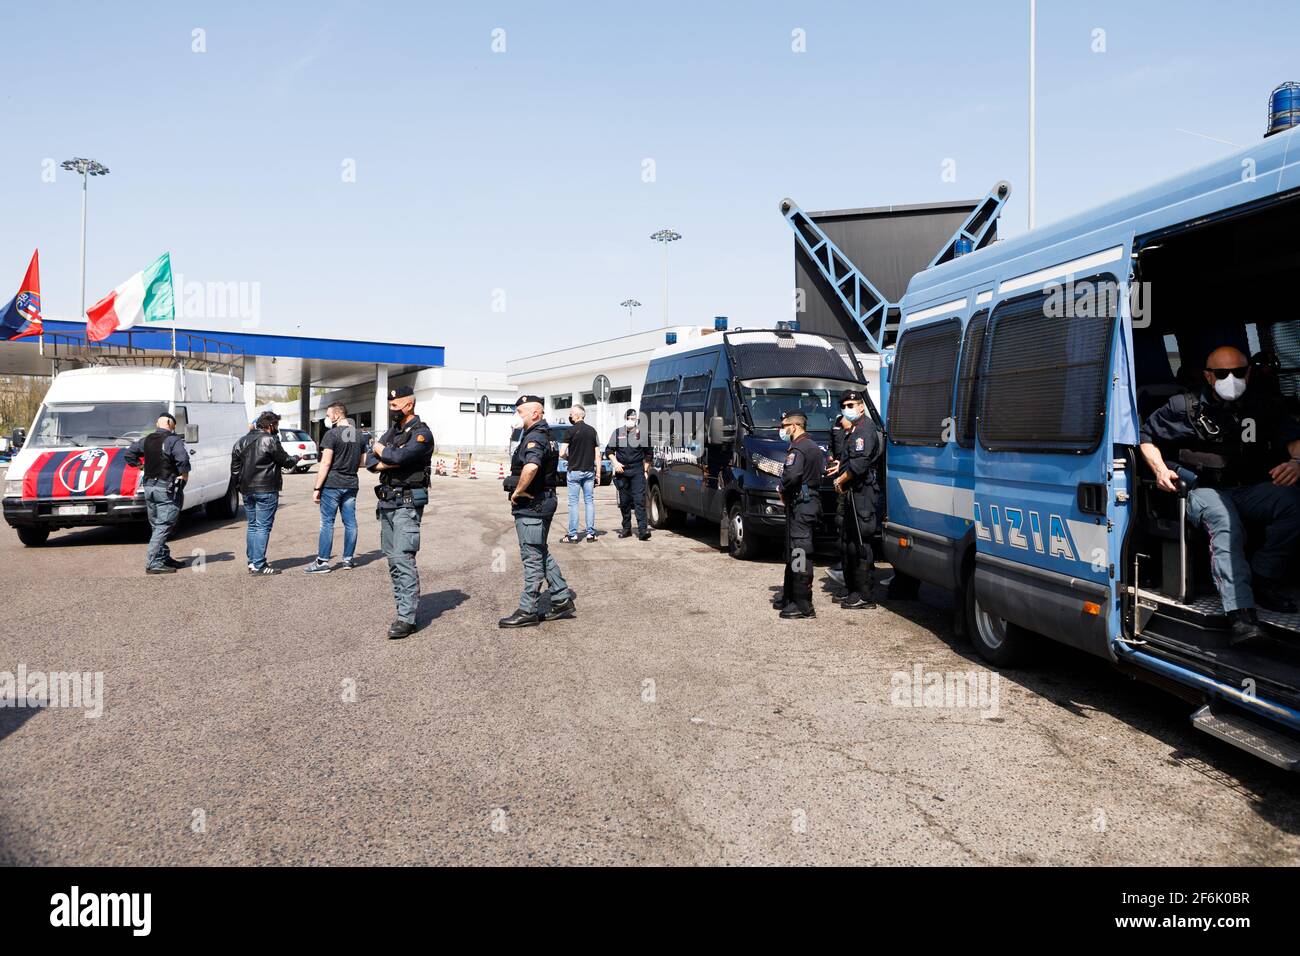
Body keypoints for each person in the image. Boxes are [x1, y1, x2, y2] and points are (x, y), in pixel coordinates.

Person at [1140, 344, 1300, 644]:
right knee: (1225, 523)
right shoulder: (1182, 407)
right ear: (1208, 376)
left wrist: (1297, 463)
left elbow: (1293, 439)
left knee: (1292, 504)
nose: (1231, 379)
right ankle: (1241, 614)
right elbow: (1146, 437)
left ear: (1249, 372)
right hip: (1203, 488)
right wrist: (1160, 470)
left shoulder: (1263, 404)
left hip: (1249, 487)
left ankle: (1264, 576)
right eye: (1222, 373)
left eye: (1238, 372)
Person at [500, 395, 575, 628]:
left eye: (520, 411)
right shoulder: (547, 435)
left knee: (531, 557)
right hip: (543, 500)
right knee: (540, 551)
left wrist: (518, 491)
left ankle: (528, 610)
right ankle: (562, 598)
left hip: (532, 504)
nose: (517, 416)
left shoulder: (535, 436)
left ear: (535, 413)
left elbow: (531, 466)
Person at [366, 385, 434, 639]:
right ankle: (402, 610)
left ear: (408, 405)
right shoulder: (393, 431)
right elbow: (369, 460)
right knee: (393, 561)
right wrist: (387, 458)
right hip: (386, 503)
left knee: (404, 559)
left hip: (407, 505)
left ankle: (407, 618)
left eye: (395, 406)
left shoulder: (422, 434)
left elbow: (402, 457)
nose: (390, 409)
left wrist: (384, 453)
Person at [829, 390, 882, 609]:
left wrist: (841, 479)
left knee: (861, 544)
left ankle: (865, 595)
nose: (847, 409)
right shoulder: (853, 430)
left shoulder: (865, 430)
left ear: (861, 406)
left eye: (851, 404)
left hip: (862, 493)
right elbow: (848, 458)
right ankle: (852, 590)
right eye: (844, 405)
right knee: (848, 542)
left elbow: (859, 464)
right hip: (852, 493)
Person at [231, 411, 300, 576]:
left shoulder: (240, 441)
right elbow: (286, 461)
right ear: (270, 425)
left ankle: (253, 562)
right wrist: (296, 458)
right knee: (262, 527)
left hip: (247, 490)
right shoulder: (270, 440)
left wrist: (239, 487)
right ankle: (260, 565)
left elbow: (234, 469)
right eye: (276, 425)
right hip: (266, 489)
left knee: (253, 526)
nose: (277, 428)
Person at [773, 410, 825, 619]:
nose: (782, 430)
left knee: (800, 553)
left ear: (794, 427)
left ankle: (803, 605)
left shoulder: (799, 448)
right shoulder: (811, 445)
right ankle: (790, 597)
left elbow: (792, 475)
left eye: (784, 426)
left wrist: (782, 490)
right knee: (794, 549)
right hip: (806, 504)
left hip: (802, 506)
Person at [124, 414, 191, 575]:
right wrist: (184, 477)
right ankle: (153, 563)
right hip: (166, 488)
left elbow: (129, 454)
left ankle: (163, 558)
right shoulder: (173, 440)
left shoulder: (146, 440)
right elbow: (183, 460)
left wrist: (141, 466)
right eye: (174, 425)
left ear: (157, 423)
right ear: (170, 424)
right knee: (163, 525)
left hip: (149, 487)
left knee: (156, 525)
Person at [305, 402, 361, 573]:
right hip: (351, 483)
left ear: (337, 415)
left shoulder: (331, 434)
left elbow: (326, 462)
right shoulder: (357, 434)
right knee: (350, 523)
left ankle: (322, 562)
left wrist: (317, 488)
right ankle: (348, 560)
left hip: (332, 484)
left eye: (328, 416)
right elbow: (363, 461)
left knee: (327, 523)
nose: (327, 419)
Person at [605, 407, 650, 540]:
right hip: (622, 471)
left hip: (637, 471)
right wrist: (616, 463)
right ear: (625, 419)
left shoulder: (642, 434)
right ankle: (626, 528)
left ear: (636, 420)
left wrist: (645, 470)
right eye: (629, 418)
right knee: (624, 502)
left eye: (633, 418)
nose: (631, 420)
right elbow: (609, 451)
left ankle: (643, 530)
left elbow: (649, 454)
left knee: (639, 501)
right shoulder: (618, 433)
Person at [560, 404, 600, 543]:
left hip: (574, 471)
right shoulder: (592, 431)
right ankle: (590, 533)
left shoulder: (569, 431)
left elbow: (561, 453)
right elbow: (597, 455)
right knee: (589, 501)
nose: (570, 416)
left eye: (571, 414)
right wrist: (598, 474)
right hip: (589, 471)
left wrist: (569, 459)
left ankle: (573, 534)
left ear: (577, 415)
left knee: (573, 503)